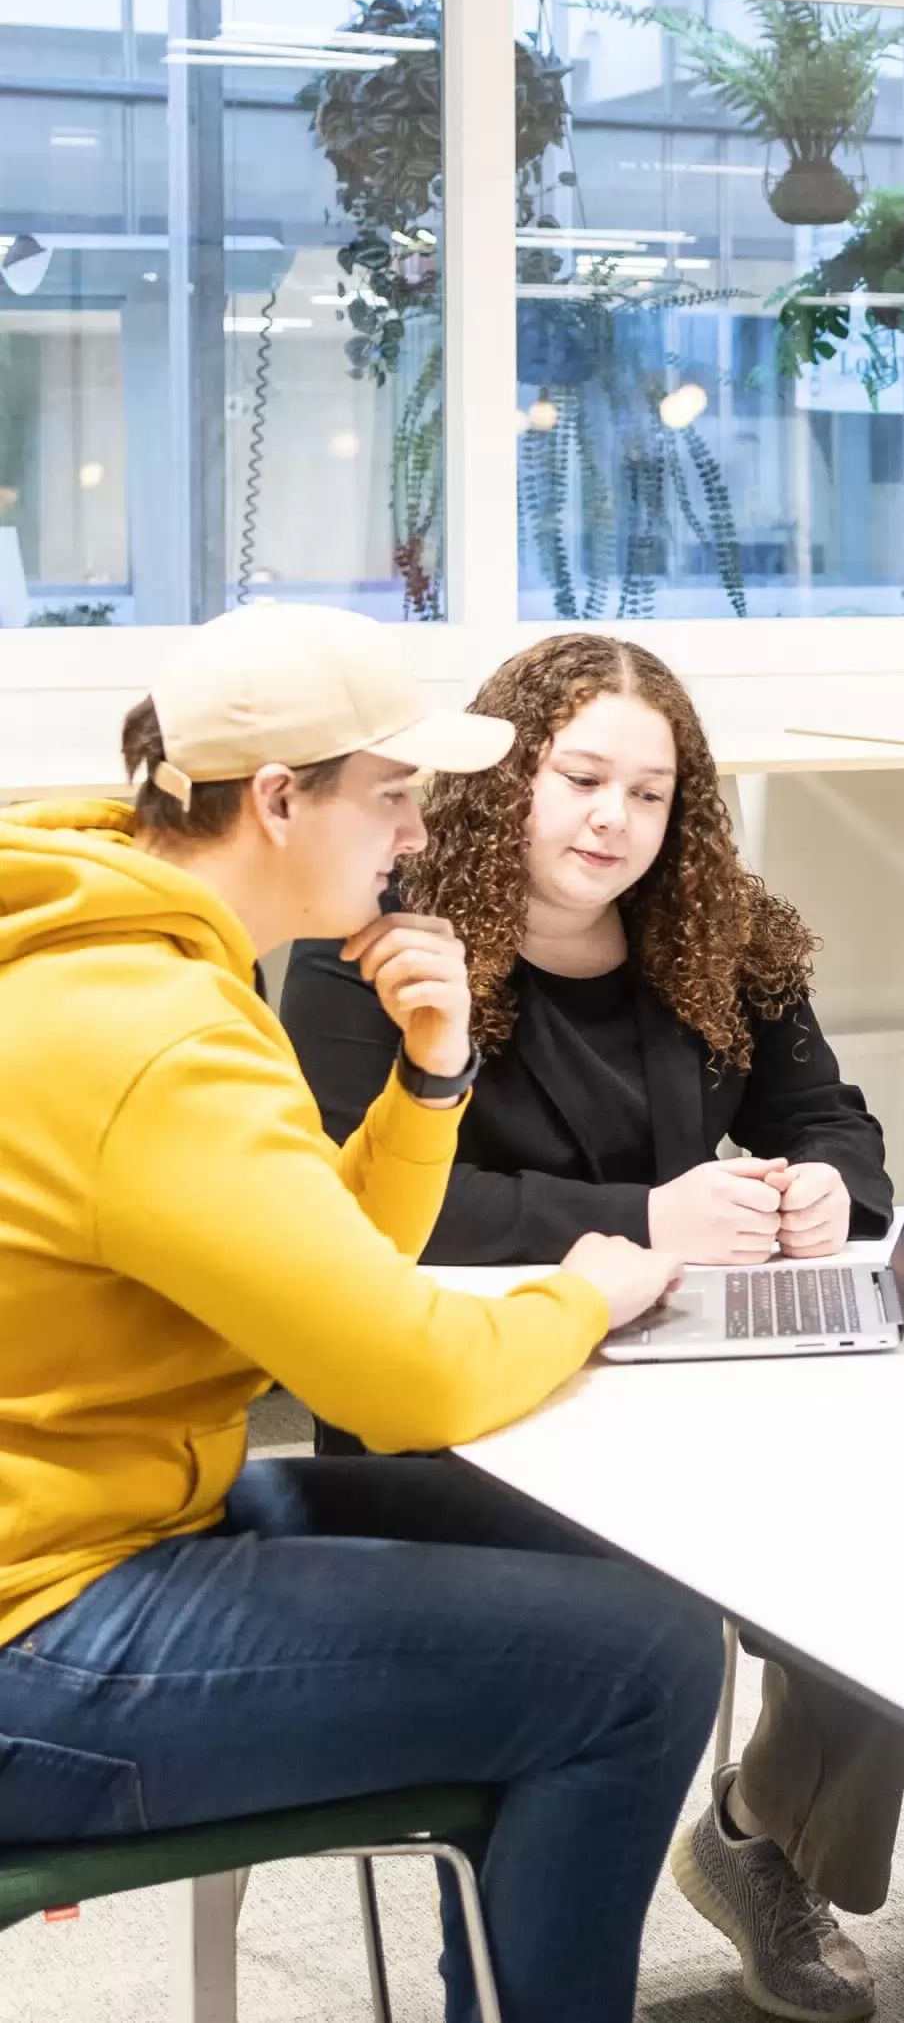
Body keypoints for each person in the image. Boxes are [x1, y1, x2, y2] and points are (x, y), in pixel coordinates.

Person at [0, 603, 718, 2023]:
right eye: (391, 792)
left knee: (640, 1584)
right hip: (41, 1626)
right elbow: (403, 1384)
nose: (416, 827)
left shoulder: (133, 949)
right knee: (639, 1665)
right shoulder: (157, 1032)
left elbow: (322, 1278)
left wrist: (429, 1081)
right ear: (278, 798)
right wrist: (589, 1281)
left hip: (109, 1519)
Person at [281, 632, 899, 2023]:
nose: (613, 821)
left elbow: (831, 1120)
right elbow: (368, 1204)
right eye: (579, 778)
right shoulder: (371, 940)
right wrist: (635, 1214)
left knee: (888, 1516)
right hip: (469, 1399)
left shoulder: (719, 928)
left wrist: (823, 1192)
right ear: (508, 776)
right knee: (625, 1630)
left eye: (649, 792)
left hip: (681, 1363)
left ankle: (767, 1844)